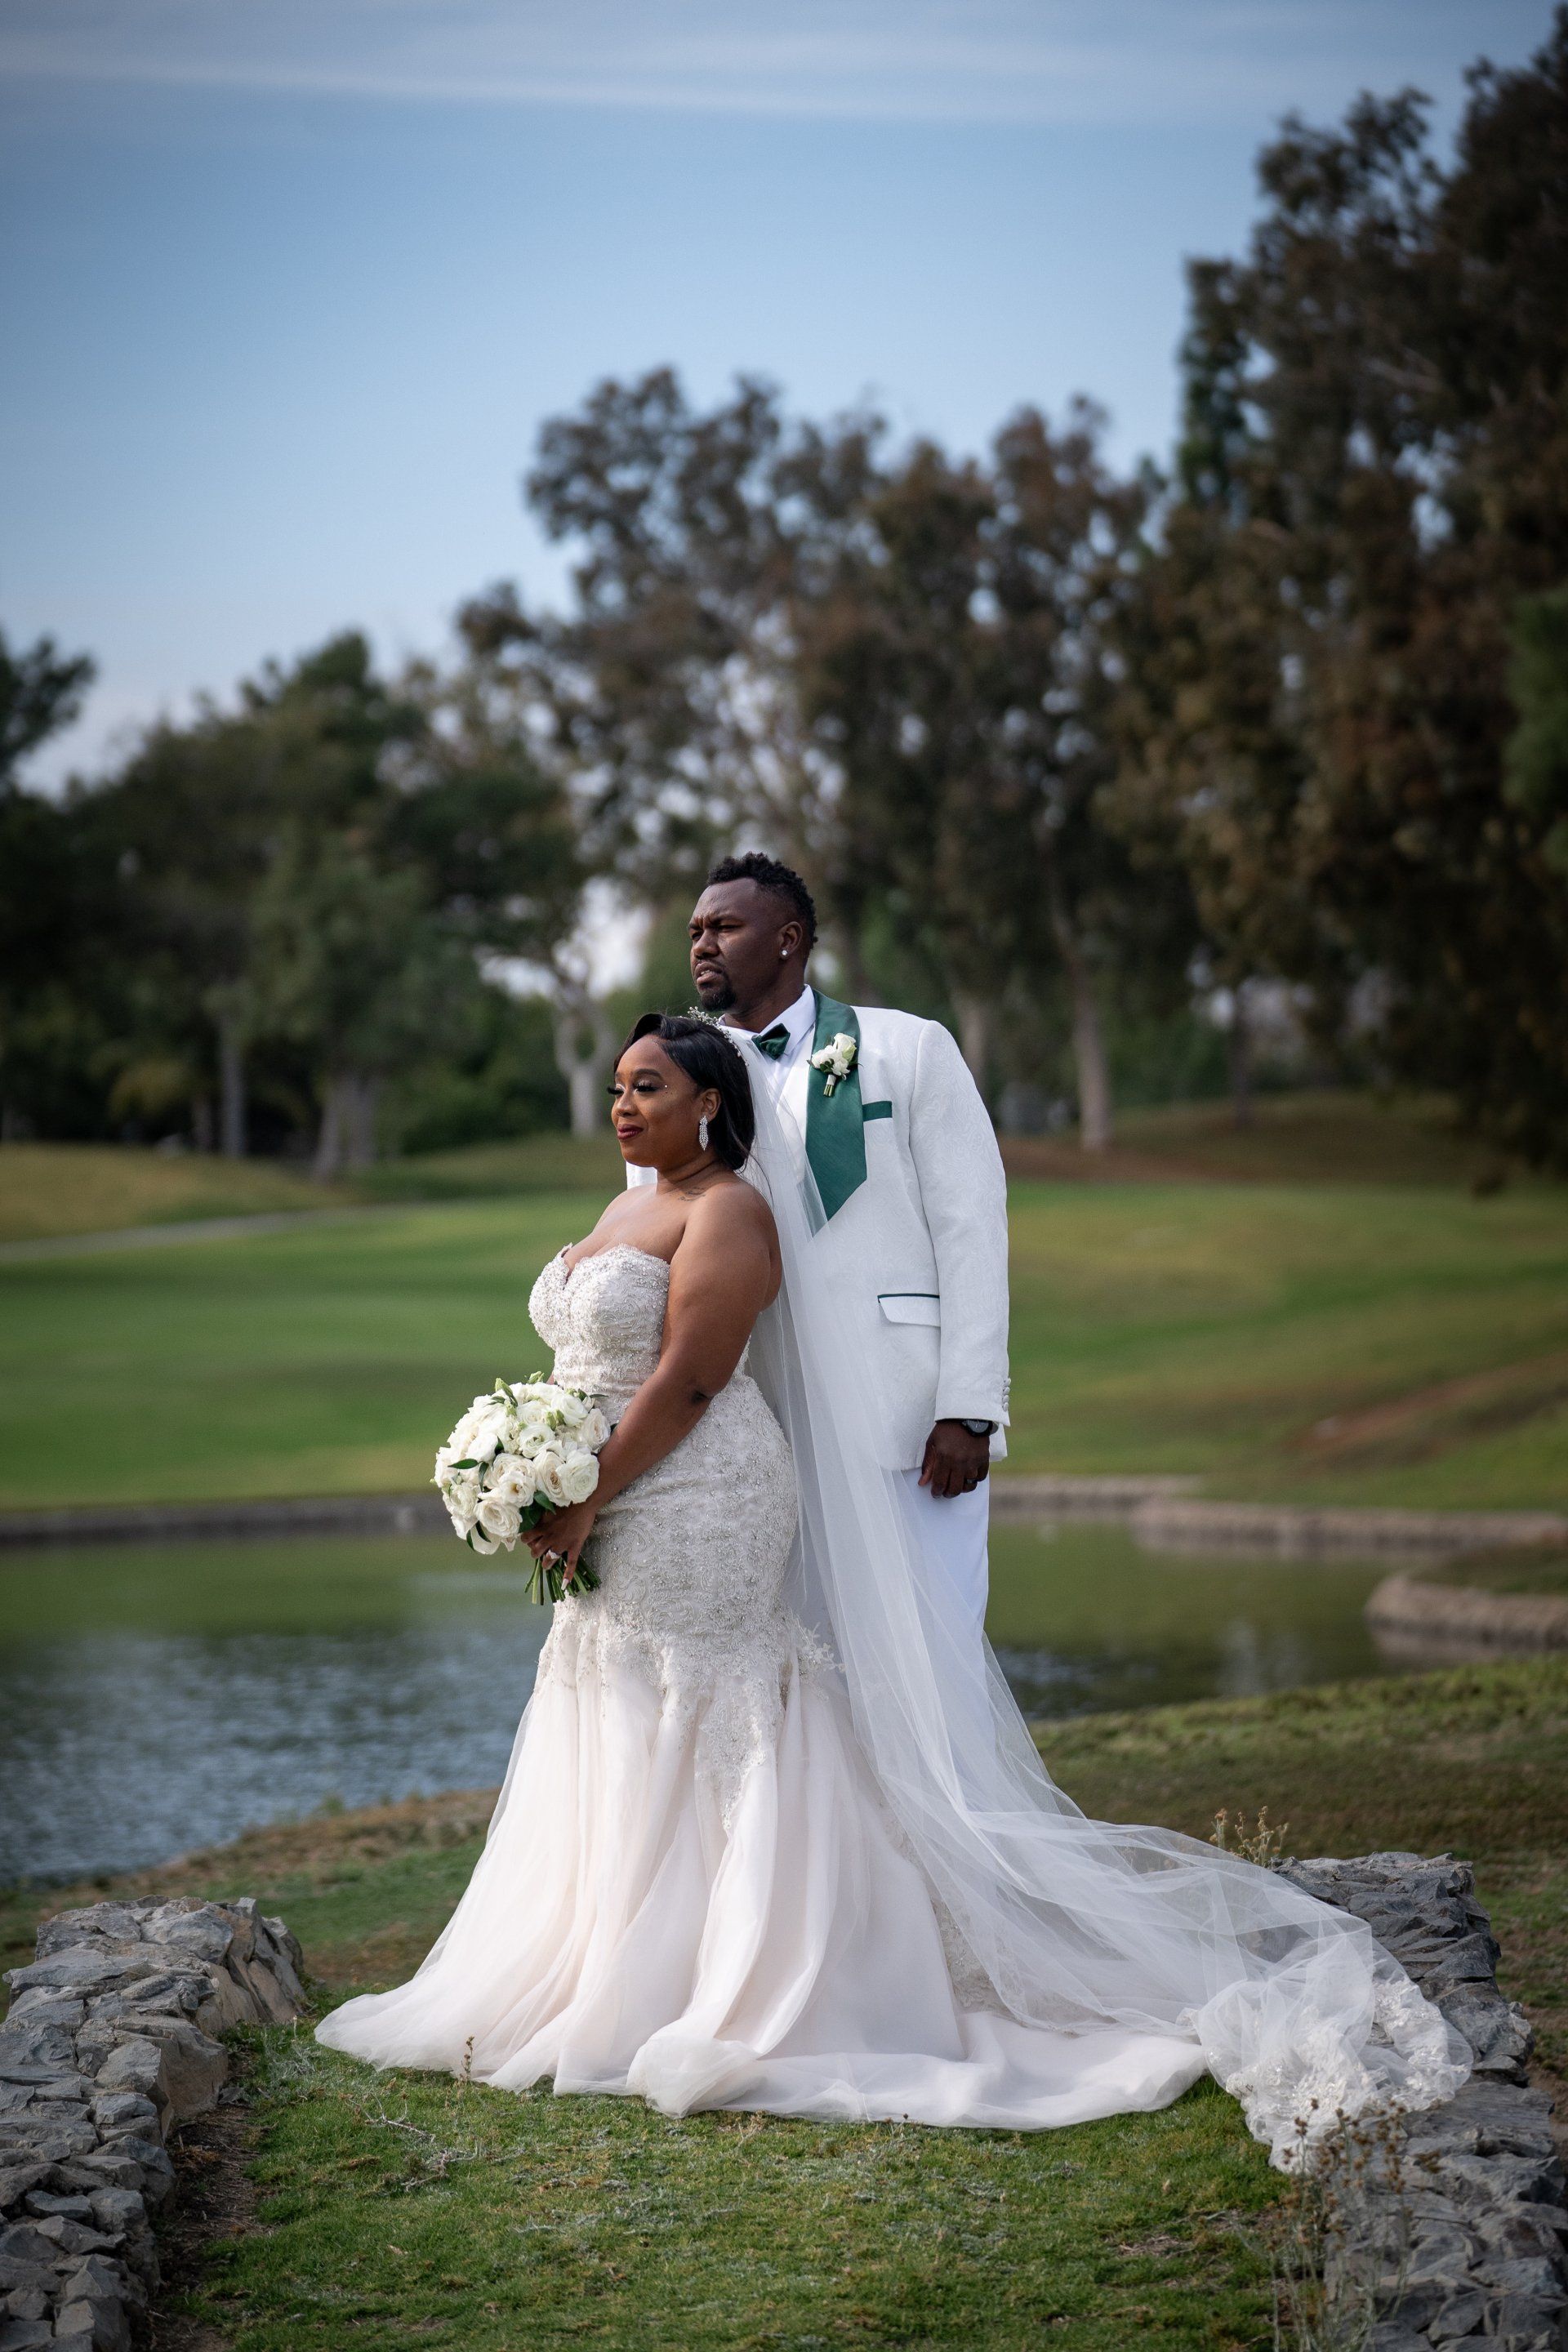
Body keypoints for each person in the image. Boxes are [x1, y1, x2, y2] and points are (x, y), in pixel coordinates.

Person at [318, 1009, 1468, 2163]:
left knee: (716, 1702)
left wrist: (584, 1491)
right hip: (615, 1490)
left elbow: (690, 1382)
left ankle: (779, 1973)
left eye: (650, 1088)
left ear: (709, 1102)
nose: (625, 1106)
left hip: (695, 1492)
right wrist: (530, 1462)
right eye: (619, 1087)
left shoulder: (731, 1213)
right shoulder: (625, 1205)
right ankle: (614, 1965)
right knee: (613, 1694)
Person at [625, 852, 1007, 1626]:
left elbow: (972, 1232)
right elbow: (650, 1246)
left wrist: (969, 1409)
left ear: (789, 938)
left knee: (936, 1648)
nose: (701, 944)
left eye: (725, 926)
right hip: (746, 1434)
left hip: (904, 1422)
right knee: (790, 1672)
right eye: (695, 930)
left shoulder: (909, 1048)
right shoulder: (666, 1077)